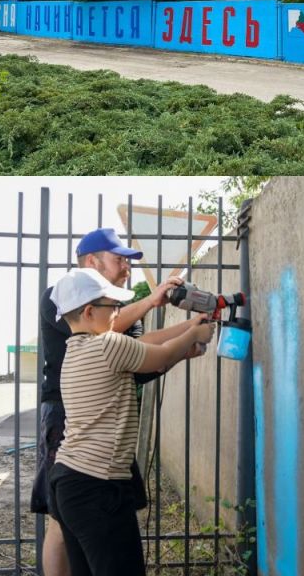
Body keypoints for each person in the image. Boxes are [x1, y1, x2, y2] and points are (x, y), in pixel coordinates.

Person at [30, 228, 203, 576]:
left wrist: (186, 336)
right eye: (120, 258)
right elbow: (130, 346)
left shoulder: (87, 340)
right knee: (66, 532)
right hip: (87, 462)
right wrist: (181, 329)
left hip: (83, 467)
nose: (127, 267)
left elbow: (144, 352)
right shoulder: (63, 295)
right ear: (92, 261)